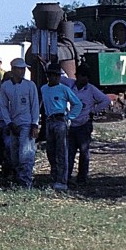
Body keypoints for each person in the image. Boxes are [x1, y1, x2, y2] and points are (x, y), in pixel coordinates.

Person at [0, 57, 40, 188]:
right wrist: (9, 123)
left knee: (26, 154)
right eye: (20, 69)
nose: (22, 71)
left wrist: (35, 124)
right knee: (15, 154)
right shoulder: (6, 86)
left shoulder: (30, 85)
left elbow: (35, 105)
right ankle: (18, 179)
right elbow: (3, 106)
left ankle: (26, 182)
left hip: (27, 123)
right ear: (13, 70)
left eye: (23, 69)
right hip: (14, 124)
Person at [40, 63, 82, 192]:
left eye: (57, 76)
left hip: (60, 120)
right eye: (52, 75)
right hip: (49, 120)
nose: (54, 78)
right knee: (50, 151)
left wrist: (69, 117)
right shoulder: (44, 89)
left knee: (61, 151)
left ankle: (62, 180)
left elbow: (77, 104)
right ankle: (54, 176)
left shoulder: (64, 89)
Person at [66, 68, 111, 187]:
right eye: (82, 76)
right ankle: (67, 177)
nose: (85, 79)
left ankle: (82, 178)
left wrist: (94, 111)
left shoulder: (91, 89)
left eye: (87, 76)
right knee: (69, 152)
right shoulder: (70, 85)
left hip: (84, 124)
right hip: (70, 124)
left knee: (84, 152)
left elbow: (106, 100)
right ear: (77, 76)